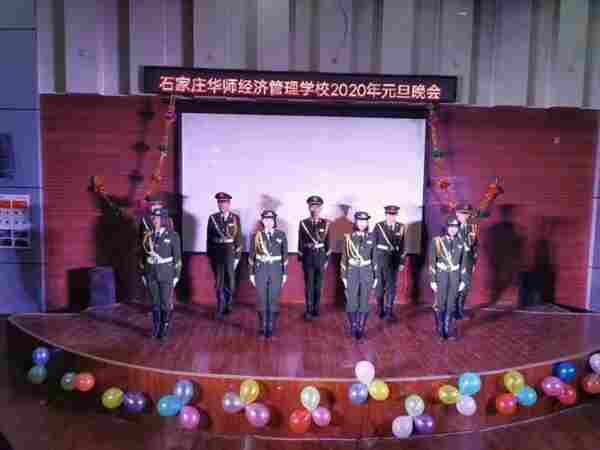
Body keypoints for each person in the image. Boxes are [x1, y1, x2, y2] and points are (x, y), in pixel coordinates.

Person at [140, 207, 182, 341]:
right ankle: (156, 327)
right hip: (151, 273)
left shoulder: (173, 236)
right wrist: (143, 273)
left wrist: (176, 276)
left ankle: (164, 328)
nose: (155, 220)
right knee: (154, 303)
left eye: (158, 218)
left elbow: (178, 258)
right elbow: (142, 256)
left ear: (164, 219)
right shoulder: (148, 235)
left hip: (166, 274)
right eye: (154, 218)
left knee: (165, 303)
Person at [249, 210, 288, 338]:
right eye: (266, 220)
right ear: (262, 221)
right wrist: (251, 274)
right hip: (261, 269)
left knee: (273, 299)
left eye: (271, 219)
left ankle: (270, 326)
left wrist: (285, 273)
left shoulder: (281, 235)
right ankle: (262, 326)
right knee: (261, 299)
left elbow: (285, 255)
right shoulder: (256, 236)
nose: (268, 222)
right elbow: (251, 256)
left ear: (274, 221)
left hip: (276, 270)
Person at [428, 215, 468, 340]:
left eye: (455, 227)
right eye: (451, 226)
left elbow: (464, 263)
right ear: (446, 227)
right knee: (440, 304)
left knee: (450, 304)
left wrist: (463, 280)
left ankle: (447, 331)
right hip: (442, 276)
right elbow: (432, 262)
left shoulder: (461, 243)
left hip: (455, 277)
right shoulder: (437, 241)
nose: (453, 229)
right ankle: (440, 330)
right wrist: (433, 280)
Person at [340, 211, 378, 340]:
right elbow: (344, 258)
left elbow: (375, 259)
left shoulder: (372, 238)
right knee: (351, 301)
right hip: (352, 272)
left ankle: (361, 327)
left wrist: (376, 277)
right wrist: (344, 276)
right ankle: (353, 325)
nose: (362, 223)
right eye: (360, 221)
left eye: (365, 221)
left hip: (367, 272)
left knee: (364, 301)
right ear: (356, 222)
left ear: (367, 223)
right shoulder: (348, 238)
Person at [206, 192, 242, 319]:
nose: (222, 205)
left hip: (230, 253)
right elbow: (209, 238)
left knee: (230, 281)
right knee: (219, 281)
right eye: (219, 203)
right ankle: (220, 306)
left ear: (229, 204)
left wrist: (237, 256)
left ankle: (229, 304)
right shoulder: (212, 218)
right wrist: (210, 255)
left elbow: (238, 238)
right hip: (217, 253)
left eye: (224, 202)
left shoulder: (235, 218)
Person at [298, 195, 331, 320]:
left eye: (317, 206)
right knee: (309, 286)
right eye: (312, 206)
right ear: (309, 208)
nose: (315, 209)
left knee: (318, 286)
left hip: (321, 258)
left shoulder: (326, 224)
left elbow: (328, 242)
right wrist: (301, 258)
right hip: (308, 258)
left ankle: (316, 310)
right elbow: (300, 241)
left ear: (320, 208)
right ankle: (309, 310)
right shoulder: (303, 223)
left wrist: (326, 259)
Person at [373, 205, 406, 322]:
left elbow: (402, 245)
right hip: (381, 260)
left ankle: (389, 311)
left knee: (392, 287)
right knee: (380, 287)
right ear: (386, 215)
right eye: (389, 214)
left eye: (394, 215)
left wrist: (402, 262)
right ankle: (380, 309)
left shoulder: (401, 227)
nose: (392, 217)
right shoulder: (379, 226)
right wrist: (374, 262)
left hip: (394, 261)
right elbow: (374, 245)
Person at [455, 203, 478, 320]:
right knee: (454, 287)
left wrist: (473, 262)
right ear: (457, 214)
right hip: (454, 262)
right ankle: (452, 311)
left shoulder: (472, 228)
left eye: (467, 214)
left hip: (467, 262)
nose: (465, 216)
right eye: (462, 214)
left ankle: (459, 311)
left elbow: (475, 246)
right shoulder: (451, 227)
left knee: (464, 288)